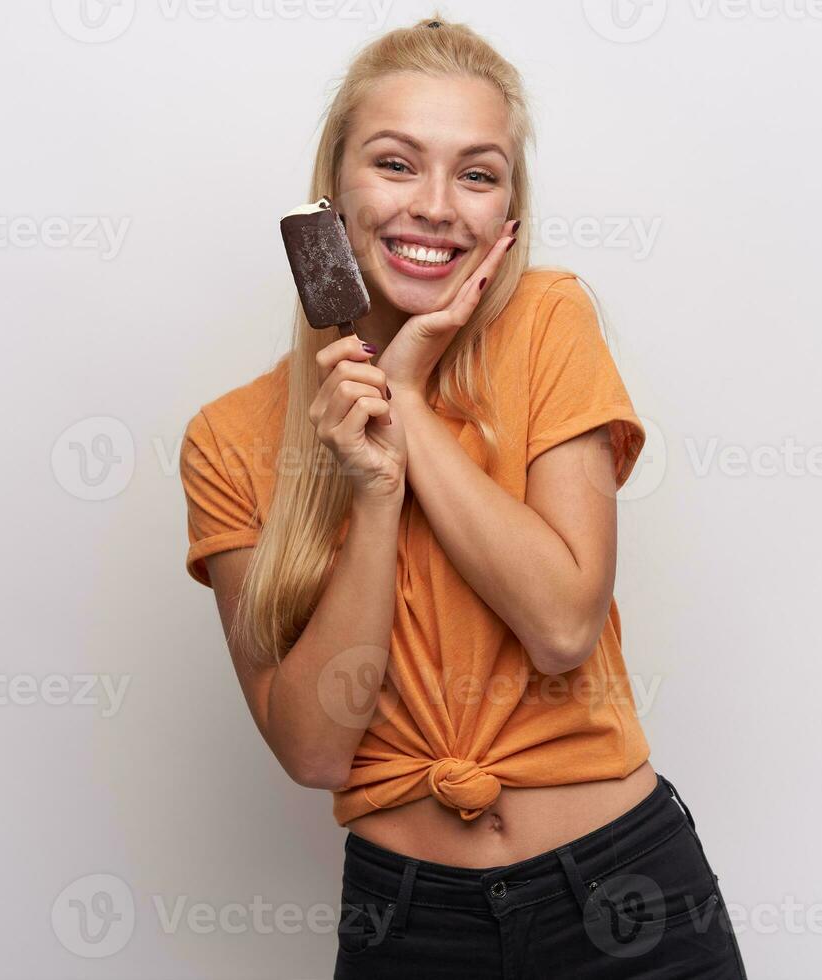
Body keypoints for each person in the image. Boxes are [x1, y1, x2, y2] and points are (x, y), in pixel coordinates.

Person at [180, 14, 748, 978]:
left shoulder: (546, 323)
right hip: (409, 925)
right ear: (331, 196)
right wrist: (370, 493)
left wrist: (404, 396)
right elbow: (316, 752)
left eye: (477, 174)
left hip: (627, 897)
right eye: (397, 165)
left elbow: (563, 624)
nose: (437, 206)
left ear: (507, 215)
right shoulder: (228, 440)